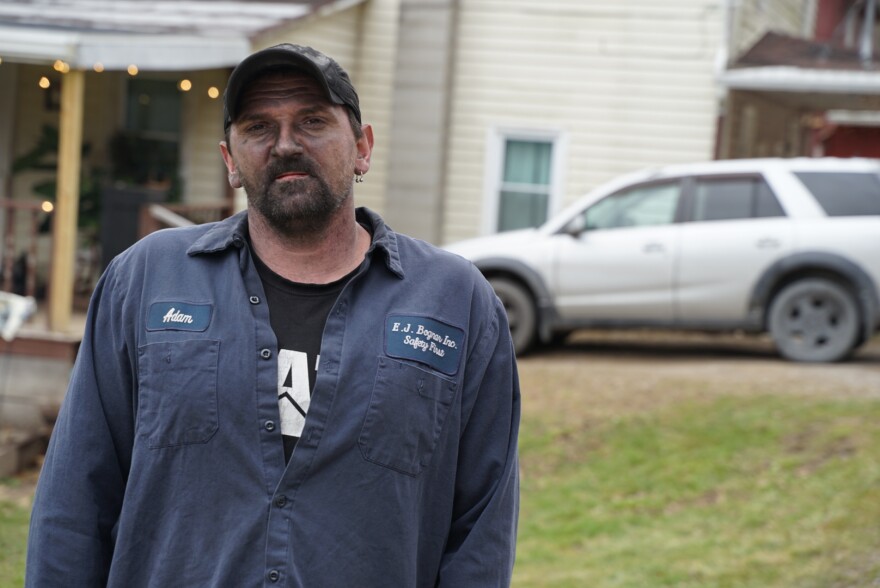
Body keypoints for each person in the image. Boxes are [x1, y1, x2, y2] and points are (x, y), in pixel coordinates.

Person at [26, 43, 520, 587]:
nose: (285, 144)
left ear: (362, 147)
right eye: (258, 127)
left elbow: (482, 532)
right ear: (230, 160)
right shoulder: (144, 282)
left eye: (312, 121)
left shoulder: (456, 303)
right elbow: (74, 504)